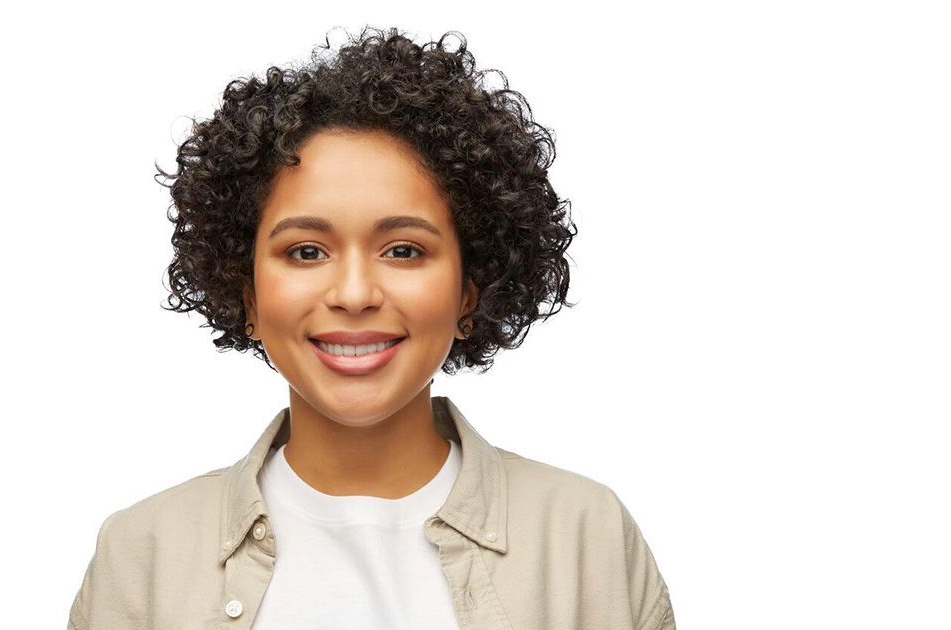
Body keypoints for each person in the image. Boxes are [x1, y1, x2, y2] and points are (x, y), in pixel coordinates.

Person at [67, 25, 675, 630]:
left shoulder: (585, 536)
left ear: (470, 291)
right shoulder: (141, 552)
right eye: (306, 251)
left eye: (404, 251)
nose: (354, 294)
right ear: (245, 294)